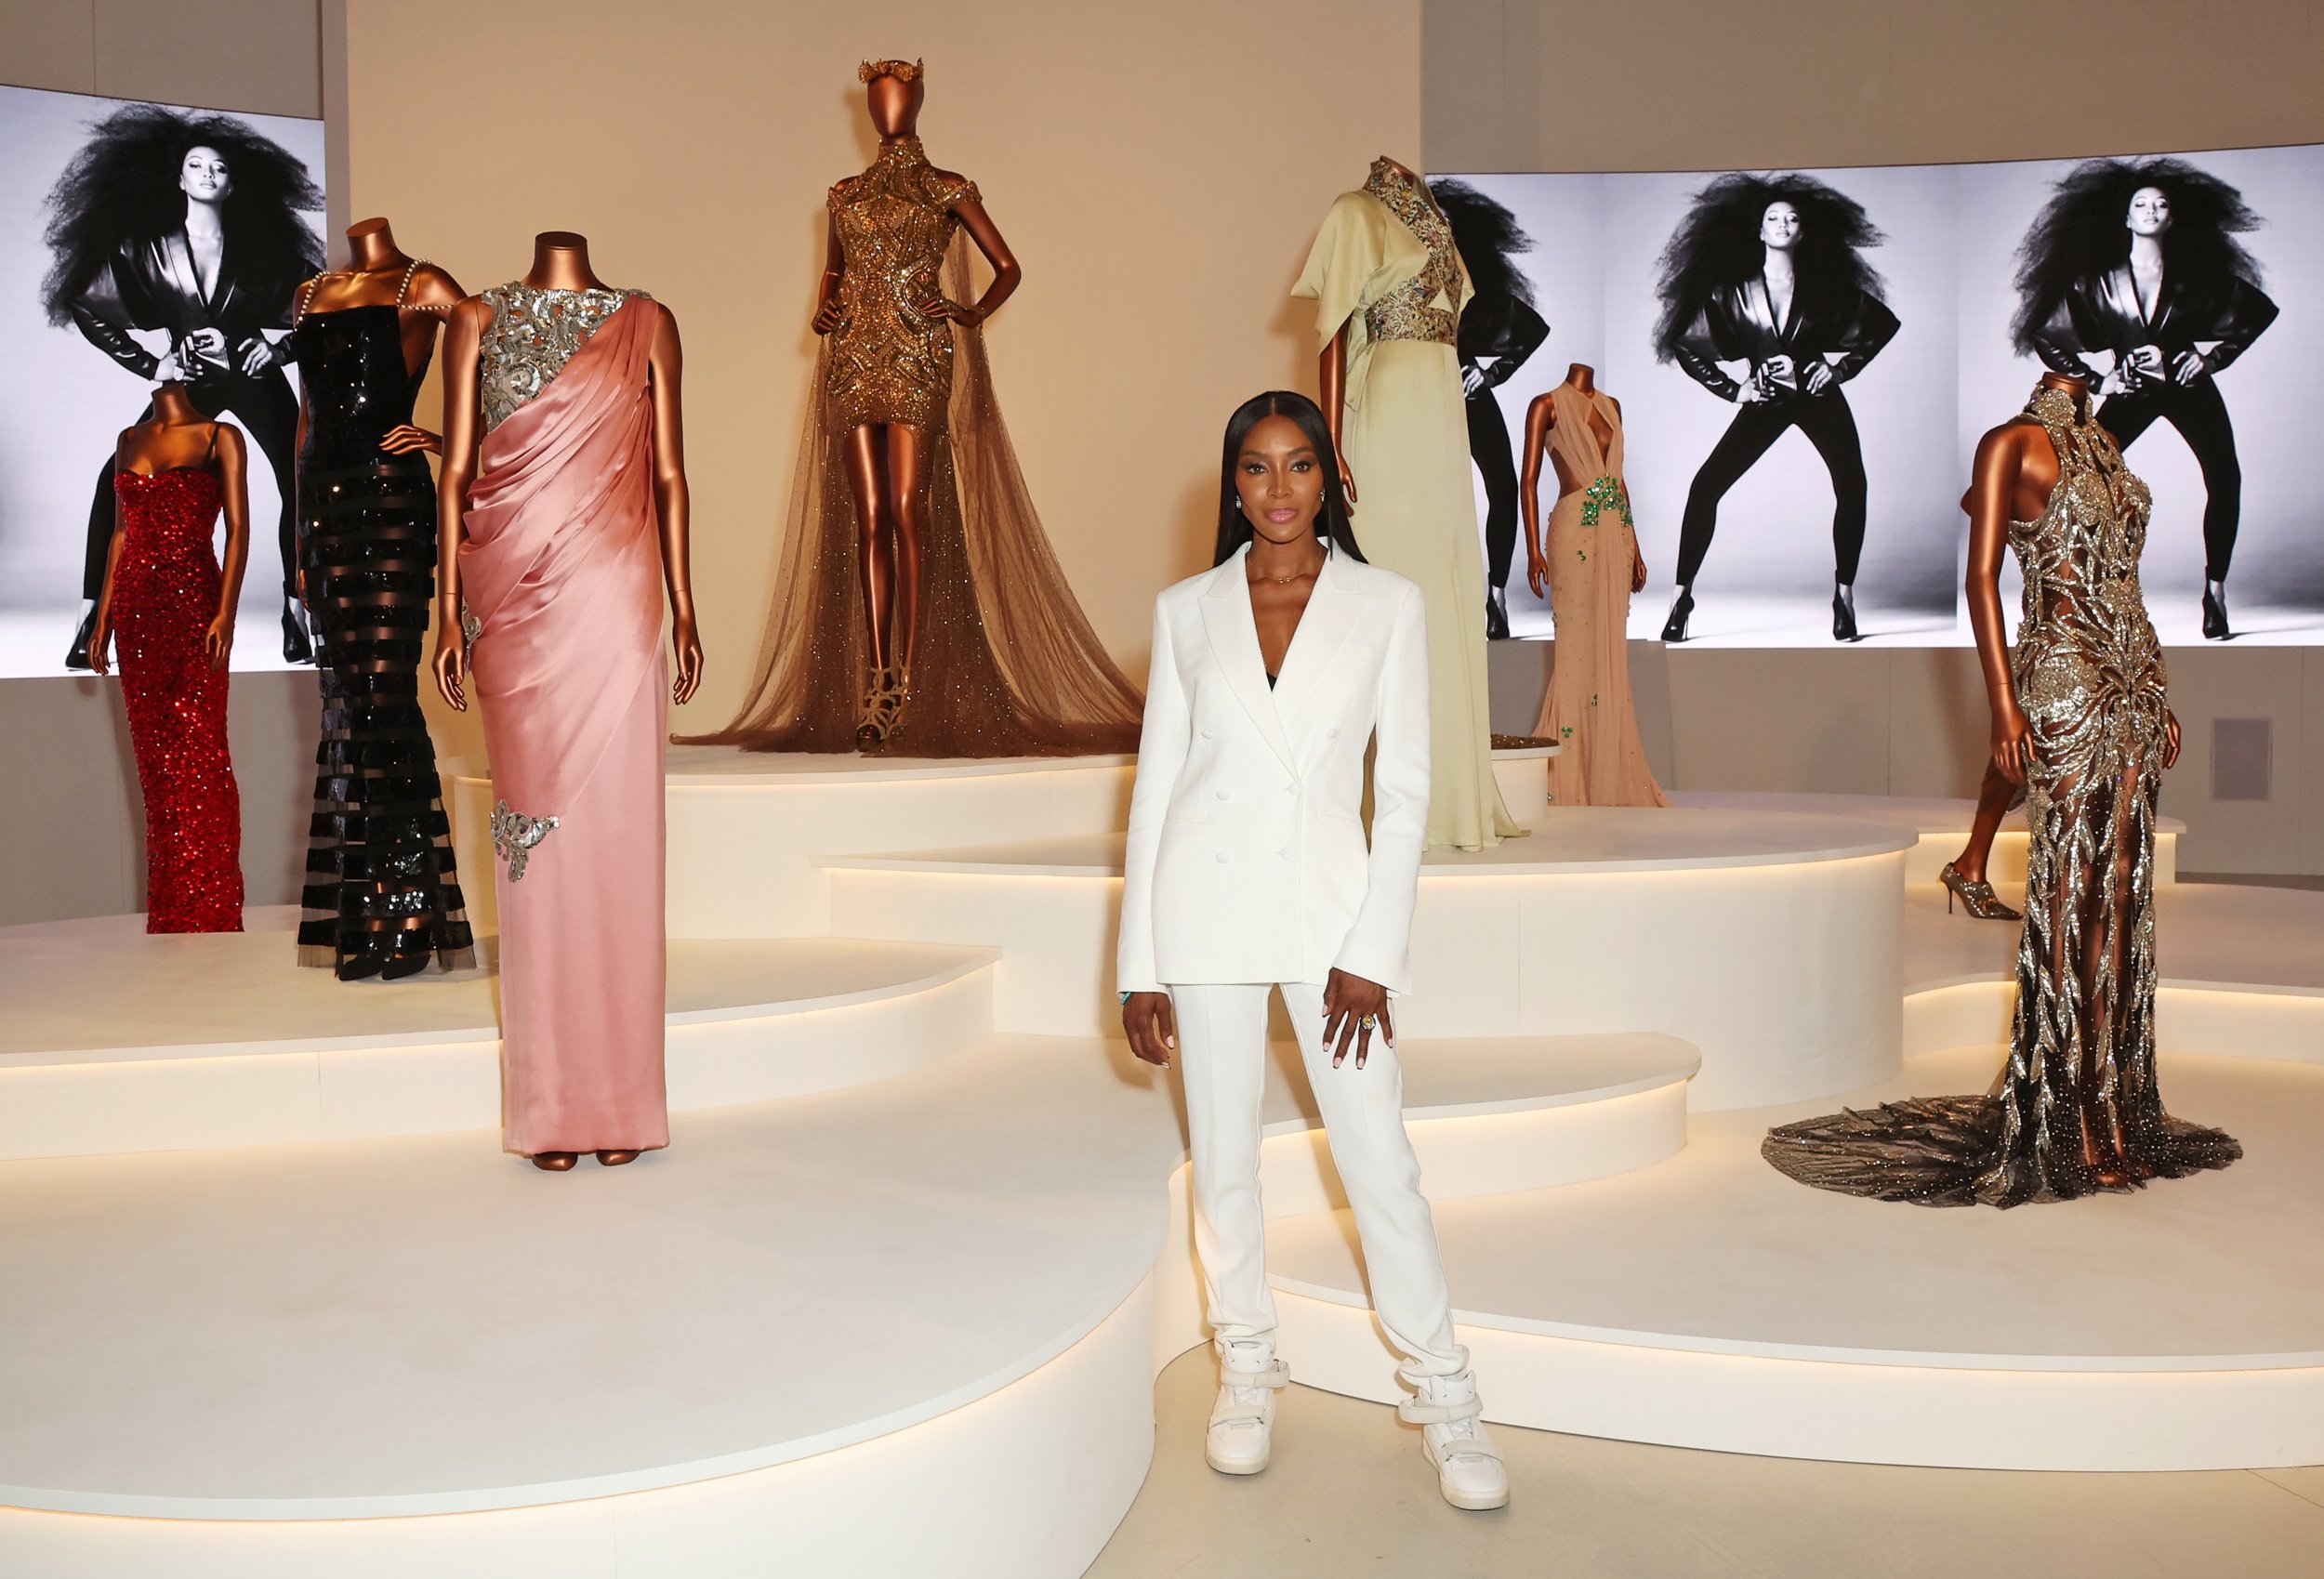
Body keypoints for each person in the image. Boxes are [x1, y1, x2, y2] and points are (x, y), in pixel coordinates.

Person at [1117, 391, 1508, 1509]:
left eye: (1297, 467)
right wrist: (1140, 957)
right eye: (1254, 468)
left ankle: (1443, 1391)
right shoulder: (1186, 609)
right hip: (1204, 911)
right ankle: (1246, 1363)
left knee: (1378, 1158)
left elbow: (1406, 788)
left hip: (1334, 924)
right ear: (1231, 484)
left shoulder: (1384, 603)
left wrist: (1372, 948)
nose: (1276, 489)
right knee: (1225, 1161)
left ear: (1328, 478)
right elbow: (1156, 789)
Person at [1763, 375, 2240, 1207]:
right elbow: (1982, 580)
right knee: (2069, 893)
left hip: (2133, 685)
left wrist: (2160, 686)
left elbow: (2123, 582)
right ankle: (2063, 1120)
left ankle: (2114, 1112)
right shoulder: (2008, 442)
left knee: (2124, 897)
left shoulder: (2104, 443)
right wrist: (2003, 705)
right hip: (2061, 681)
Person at [690, 59, 1141, 756]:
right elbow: (834, 272)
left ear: (917, 101)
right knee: (867, 516)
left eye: (897, 96)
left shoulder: (946, 188)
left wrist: (968, 311)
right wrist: (825, 306)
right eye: (877, 99)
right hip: (854, 357)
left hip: (919, 357)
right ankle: (880, 679)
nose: (887, 109)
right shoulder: (844, 194)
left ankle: (914, 679)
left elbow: (1009, 266)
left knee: (909, 509)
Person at [432, 232, 705, 1171]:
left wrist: (686, 604)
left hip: (618, 602)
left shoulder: (648, 322)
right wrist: (444, 615)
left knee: (621, 849)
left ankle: (622, 1101)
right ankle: (550, 1106)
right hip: (511, 607)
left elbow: (669, 474)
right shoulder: (472, 318)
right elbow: (456, 473)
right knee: (535, 863)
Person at [41, 105, 324, 669]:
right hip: (190, 384)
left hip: (254, 377)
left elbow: (319, 308)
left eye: (218, 168)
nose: (208, 175)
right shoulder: (145, 248)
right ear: (178, 178)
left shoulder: (261, 247)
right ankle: (94, 612)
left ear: (233, 182)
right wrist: (153, 366)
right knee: (117, 479)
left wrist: (278, 349)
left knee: (301, 476)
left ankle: (300, 612)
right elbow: (87, 303)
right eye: (196, 166)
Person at [286, 222, 476, 980]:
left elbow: (493, 369)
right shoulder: (308, 295)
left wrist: (442, 441)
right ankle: (375, 904)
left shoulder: (424, 284)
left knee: (386, 693)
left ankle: (407, 903)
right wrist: (298, 544)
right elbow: (305, 422)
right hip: (325, 511)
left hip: (393, 501)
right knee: (350, 704)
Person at [2015, 158, 2276, 640]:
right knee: (2082, 483)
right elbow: (2047, 336)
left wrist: (2212, 359)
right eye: (2141, 204)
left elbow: (2256, 311)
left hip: (2188, 388)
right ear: (2125, 217)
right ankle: (2090, 597)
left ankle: (2215, 592)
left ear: (2172, 218)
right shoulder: (2095, 279)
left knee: (2224, 475)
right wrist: (2100, 381)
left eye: (2161, 204)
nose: (2151, 210)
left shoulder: (2195, 275)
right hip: (2132, 391)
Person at [1652, 173, 1898, 643]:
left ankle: (1843, 597)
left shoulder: (1824, 286)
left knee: (1853, 485)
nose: (1783, 225)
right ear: (1759, 230)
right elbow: (1686, 346)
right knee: (1705, 487)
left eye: (1792, 219)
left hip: (1819, 398)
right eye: (1773, 218)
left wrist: (1842, 370)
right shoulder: (1732, 291)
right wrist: (1735, 391)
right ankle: (1681, 597)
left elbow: (1881, 325)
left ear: (1803, 231)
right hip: (1765, 400)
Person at [86, 384, 247, 933]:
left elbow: (238, 529)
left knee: (202, 755)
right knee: (156, 768)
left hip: (196, 608)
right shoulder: (128, 438)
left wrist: (226, 611)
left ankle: (212, 905)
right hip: (136, 614)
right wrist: (103, 614)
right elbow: (121, 533)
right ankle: (172, 908)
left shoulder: (219, 436)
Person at [1522, 365, 1667, 807]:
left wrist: (1636, 545)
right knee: (1574, 651)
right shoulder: (1545, 405)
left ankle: (1607, 766)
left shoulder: (1612, 406)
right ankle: (1564, 774)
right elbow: (1527, 480)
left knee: (1609, 651)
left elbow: (1618, 480)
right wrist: (1532, 550)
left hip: (1615, 534)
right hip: (1573, 532)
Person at [1431, 178, 1550, 640]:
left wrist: (1491, 372)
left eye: (1447, 220)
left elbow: (1533, 329)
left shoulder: (1475, 276)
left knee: (1502, 488)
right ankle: (1440, 597)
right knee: (1434, 495)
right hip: (1421, 399)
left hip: (1468, 395)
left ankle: (1495, 597)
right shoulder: (1401, 274)